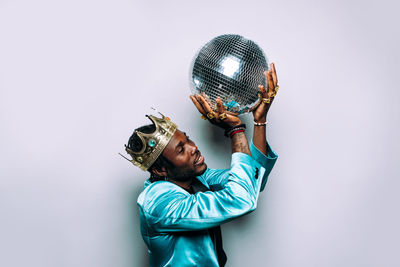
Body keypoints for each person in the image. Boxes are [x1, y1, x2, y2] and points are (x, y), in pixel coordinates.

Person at [122, 64, 279, 267]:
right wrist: (236, 130)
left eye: (187, 139)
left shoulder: (197, 180)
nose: (193, 148)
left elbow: (253, 180)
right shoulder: (159, 204)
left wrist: (260, 121)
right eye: (181, 150)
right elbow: (241, 199)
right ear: (161, 170)